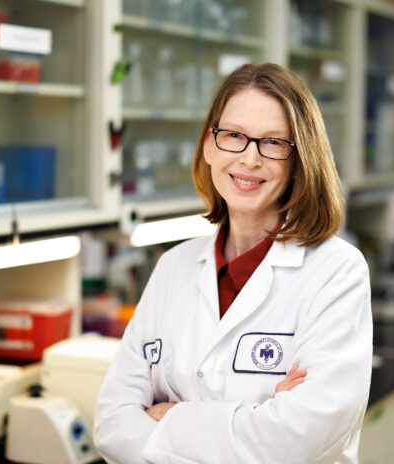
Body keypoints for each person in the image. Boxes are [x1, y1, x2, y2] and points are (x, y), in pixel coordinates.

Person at [94, 63, 372, 464]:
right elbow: (111, 425)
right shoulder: (174, 267)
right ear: (210, 145)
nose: (249, 158)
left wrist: (167, 416)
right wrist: (253, 420)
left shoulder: (336, 273)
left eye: (273, 143)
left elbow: (294, 442)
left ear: (299, 159)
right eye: (234, 136)